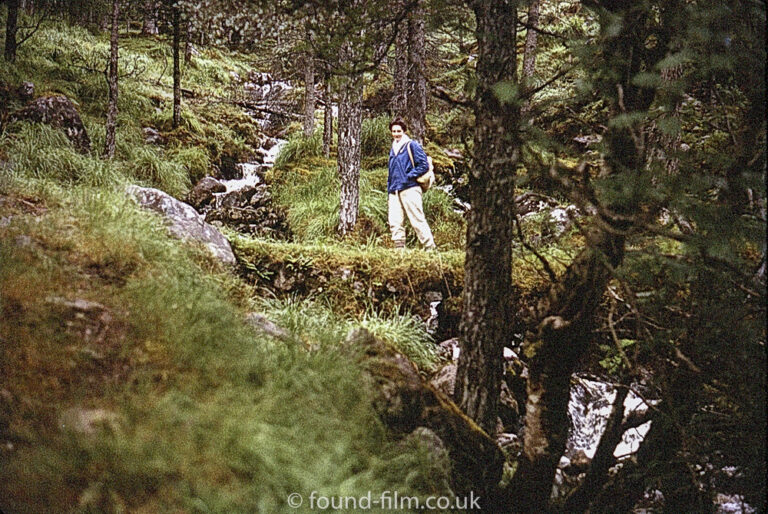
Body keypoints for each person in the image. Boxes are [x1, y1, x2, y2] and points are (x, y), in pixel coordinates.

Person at [387, 118, 436, 250]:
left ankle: (430, 247)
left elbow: (423, 165)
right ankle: (399, 250)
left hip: (410, 188)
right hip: (394, 190)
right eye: (394, 131)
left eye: (399, 131)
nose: (396, 133)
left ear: (404, 131)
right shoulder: (393, 148)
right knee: (395, 221)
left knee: (417, 219)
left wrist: (409, 176)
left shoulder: (411, 145)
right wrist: (390, 186)